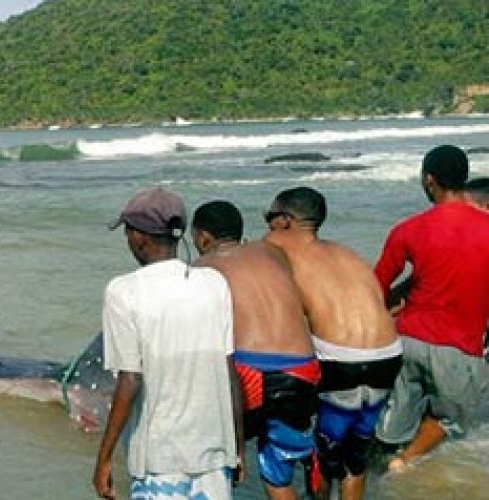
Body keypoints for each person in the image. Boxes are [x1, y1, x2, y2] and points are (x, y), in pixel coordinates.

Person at [93, 187, 242, 500]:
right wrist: (237, 447)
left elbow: (130, 379)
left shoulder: (124, 292)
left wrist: (104, 457)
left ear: (138, 237)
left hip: (160, 458)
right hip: (215, 451)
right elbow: (230, 373)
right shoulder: (214, 283)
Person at [262, 187, 400, 500]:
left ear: (285, 220)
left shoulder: (277, 243)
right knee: (354, 457)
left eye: (270, 218)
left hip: (340, 360)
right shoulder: (346, 253)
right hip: (388, 353)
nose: (268, 226)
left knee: (322, 457)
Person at [191, 200, 319, 500]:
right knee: (277, 470)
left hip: (249, 370)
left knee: (215, 456)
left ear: (204, 238)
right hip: (302, 367)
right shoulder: (273, 252)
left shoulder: (200, 269)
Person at [374, 145, 489, 472]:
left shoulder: (408, 229)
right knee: (452, 421)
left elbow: (376, 286)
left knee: (391, 426)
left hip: (406, 341)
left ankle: (379, 469)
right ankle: (405, 463)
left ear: (429, 180)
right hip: (458, 346)